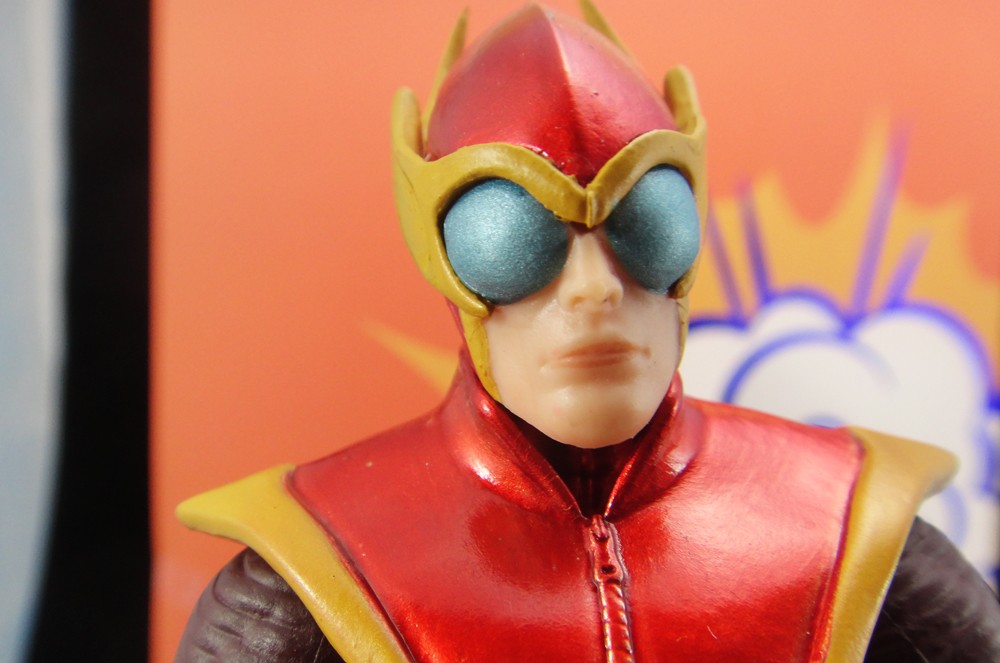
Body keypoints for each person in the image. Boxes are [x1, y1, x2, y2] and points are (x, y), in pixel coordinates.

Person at [175, 5, 1000, 661]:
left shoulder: (851, 529)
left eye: (645, 221)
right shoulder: (317, 564)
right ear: (441, 253)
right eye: (512, 236)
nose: (594, 288)